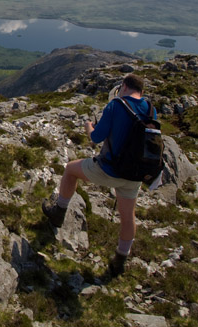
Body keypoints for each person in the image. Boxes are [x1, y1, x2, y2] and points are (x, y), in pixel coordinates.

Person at [41, 73, 156, 277]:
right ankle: (120, 260)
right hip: (134, 175)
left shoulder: (116, 105)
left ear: (124, 86)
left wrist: (88, 127)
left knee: (70, 170)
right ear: (142, 91)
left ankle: (58, 214)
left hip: (108, 169)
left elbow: (96, 137)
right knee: (128, 217)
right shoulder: (150, 110)